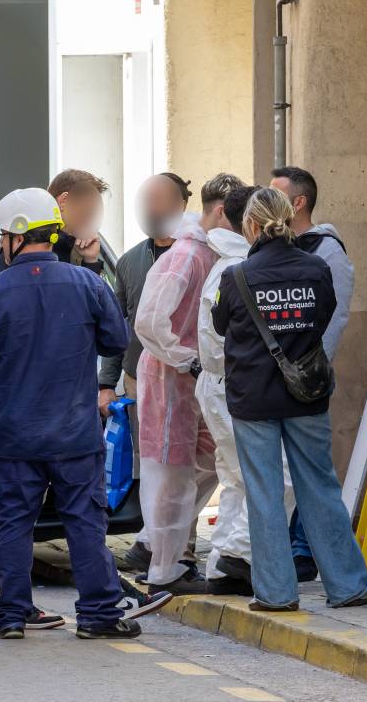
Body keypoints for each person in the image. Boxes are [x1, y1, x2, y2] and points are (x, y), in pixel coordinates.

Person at [0, 188, 162, 639]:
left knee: (13, 524)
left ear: (15, 237)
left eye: (2, 237)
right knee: (85, 523)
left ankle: (10, 615)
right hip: (75, 434)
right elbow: (115, 341)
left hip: (17, 436)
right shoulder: (86, 283)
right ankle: (98, 615)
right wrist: (90, 270)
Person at [212, 188, 367, 611]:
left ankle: (275, 593)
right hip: (306, 395)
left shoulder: (235, 276)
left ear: (251, 225)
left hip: (254, 400)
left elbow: (219, 324)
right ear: (288, 219)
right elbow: (323, 316)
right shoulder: (317, 268)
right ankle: (347, 585)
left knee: (264, 493)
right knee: (320, 487)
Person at [134, 173, 244, 595]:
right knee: (170, 470)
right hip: (171, 376)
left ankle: (160, 549)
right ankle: (163, 565)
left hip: (188, 377)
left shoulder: (205, 254)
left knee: (199, 463)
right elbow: (149, 319)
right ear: (219, 212)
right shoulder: (187, 256)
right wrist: (186, 359)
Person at [97, 173, 191, 574]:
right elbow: (117, 326)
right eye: (146, 201)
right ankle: (154, 539)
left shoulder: (196, 255)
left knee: (183, 464)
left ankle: (173, 547)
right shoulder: (130, 260)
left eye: (160, 200)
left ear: (182, 204)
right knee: (149, 463)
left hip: (188, 377)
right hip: (140, 378)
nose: (152, 209)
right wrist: (106, 382)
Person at [270, 166, 355, 581]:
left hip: (304, 379)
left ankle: (305, 550)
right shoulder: (277, 247)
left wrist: (306, 369)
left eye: (276, 194)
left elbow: (333, 319)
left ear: (298, 202)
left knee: (310, 469)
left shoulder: (327, 251)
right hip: (274, 381)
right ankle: (293, 549)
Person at [194, 184, 261, 595]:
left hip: (218, 385)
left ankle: (224, 564)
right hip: (234, 387)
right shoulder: (240, 269)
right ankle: (239, 555)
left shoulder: (225, 265)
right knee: (272, 479)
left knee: (236, 477)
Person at [0, 169, 108, 274]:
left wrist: (90, 260)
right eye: (87, 211)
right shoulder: (26, 247)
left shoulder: (82, 245)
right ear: (63, 201)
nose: (91, 219)